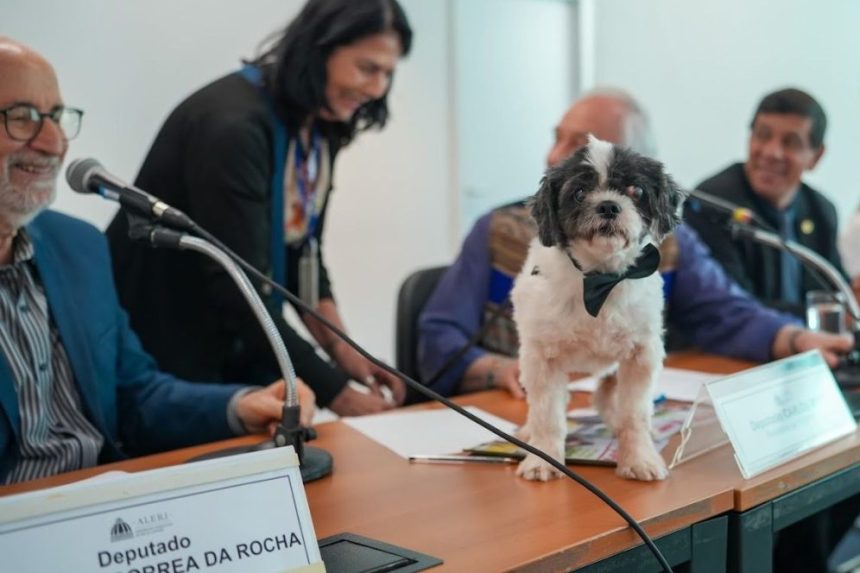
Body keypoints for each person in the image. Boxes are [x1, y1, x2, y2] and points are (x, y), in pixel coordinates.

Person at [0, 38, 317, 484]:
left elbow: (134, 395)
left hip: (105, 510)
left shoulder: (79, 247)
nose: (53, 143)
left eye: (56, 117)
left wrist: (238, 406)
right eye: (22, 118)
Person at [417, 88, 853, 400]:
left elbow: (727, 313)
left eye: (578, 144)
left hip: (611, 413)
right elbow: (437, 336)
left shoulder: (672, 244)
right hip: (515, 419)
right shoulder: (497, 231)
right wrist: (498, 370)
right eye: (558, 138)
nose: (555, 156)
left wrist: (796, 339)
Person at [106, 0, 411, 416]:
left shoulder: (320, 126)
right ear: (320, 49)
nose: (377, 88)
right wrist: (337, 393)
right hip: (164, 347)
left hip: (233, 338)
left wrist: (345, 353)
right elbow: (238, 287)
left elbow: (304, 253)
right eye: (367, 68)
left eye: (388, 73)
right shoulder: (233, 127)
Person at [685, 88, 847, 317]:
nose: (772, 152)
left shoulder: (821, 211)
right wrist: (826, 314)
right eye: (763, 135)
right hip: (730, 350)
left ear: (816, 157)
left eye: (790, 142)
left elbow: (835, 293)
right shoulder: (713, 204)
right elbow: (735, 308)